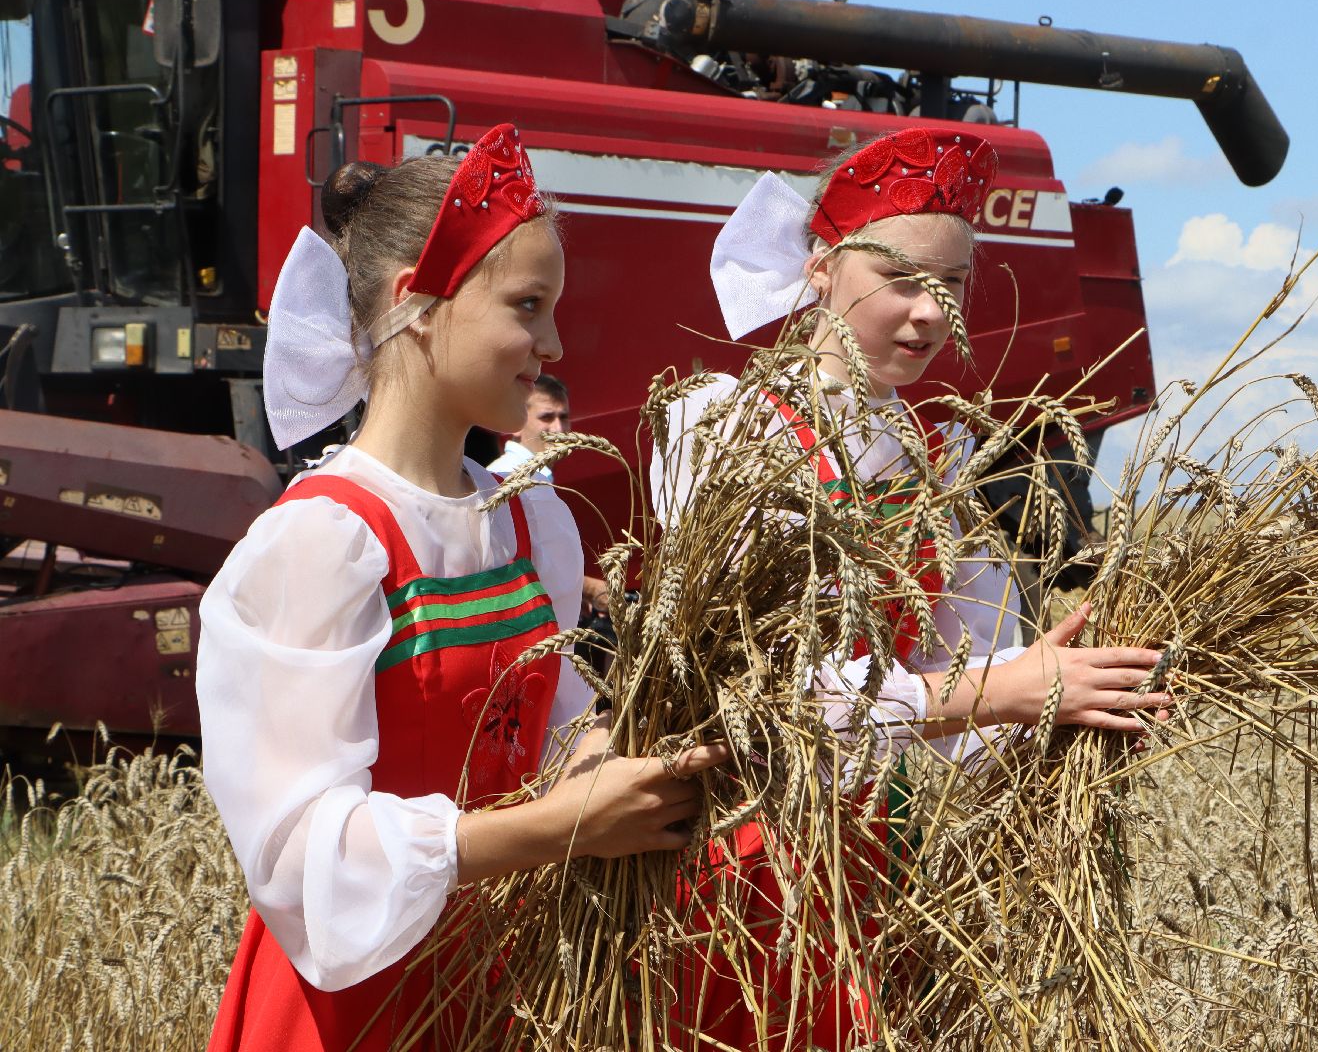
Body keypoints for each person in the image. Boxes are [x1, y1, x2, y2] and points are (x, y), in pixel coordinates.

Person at [196, 123, 726, 1051]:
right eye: (527, 305)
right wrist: (560, 829)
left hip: (502, 979)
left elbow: (553, 720)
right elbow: (301, 858)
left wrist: (617, 756)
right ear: (419, 303)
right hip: (357, 1000)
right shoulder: (323, 542)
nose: (552, 341)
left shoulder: (526, 517)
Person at [653, 126, 1172, 1050]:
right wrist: (1007, 691)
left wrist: (1074, 699)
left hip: (882, 849)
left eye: (953, 285)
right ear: (820, 269)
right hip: (742, 855)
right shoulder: (727, 432)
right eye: (900, 278)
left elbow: (977, 655)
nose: (931, 313)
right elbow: (769, 694)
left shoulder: (937, 454)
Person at [486, 373, 610, 613]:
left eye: (564, 417)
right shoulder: (510, 478)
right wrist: (589, 588)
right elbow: (514, 565)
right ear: (517, 422)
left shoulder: (533, 477)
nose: (559, 429)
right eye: (547, 417)